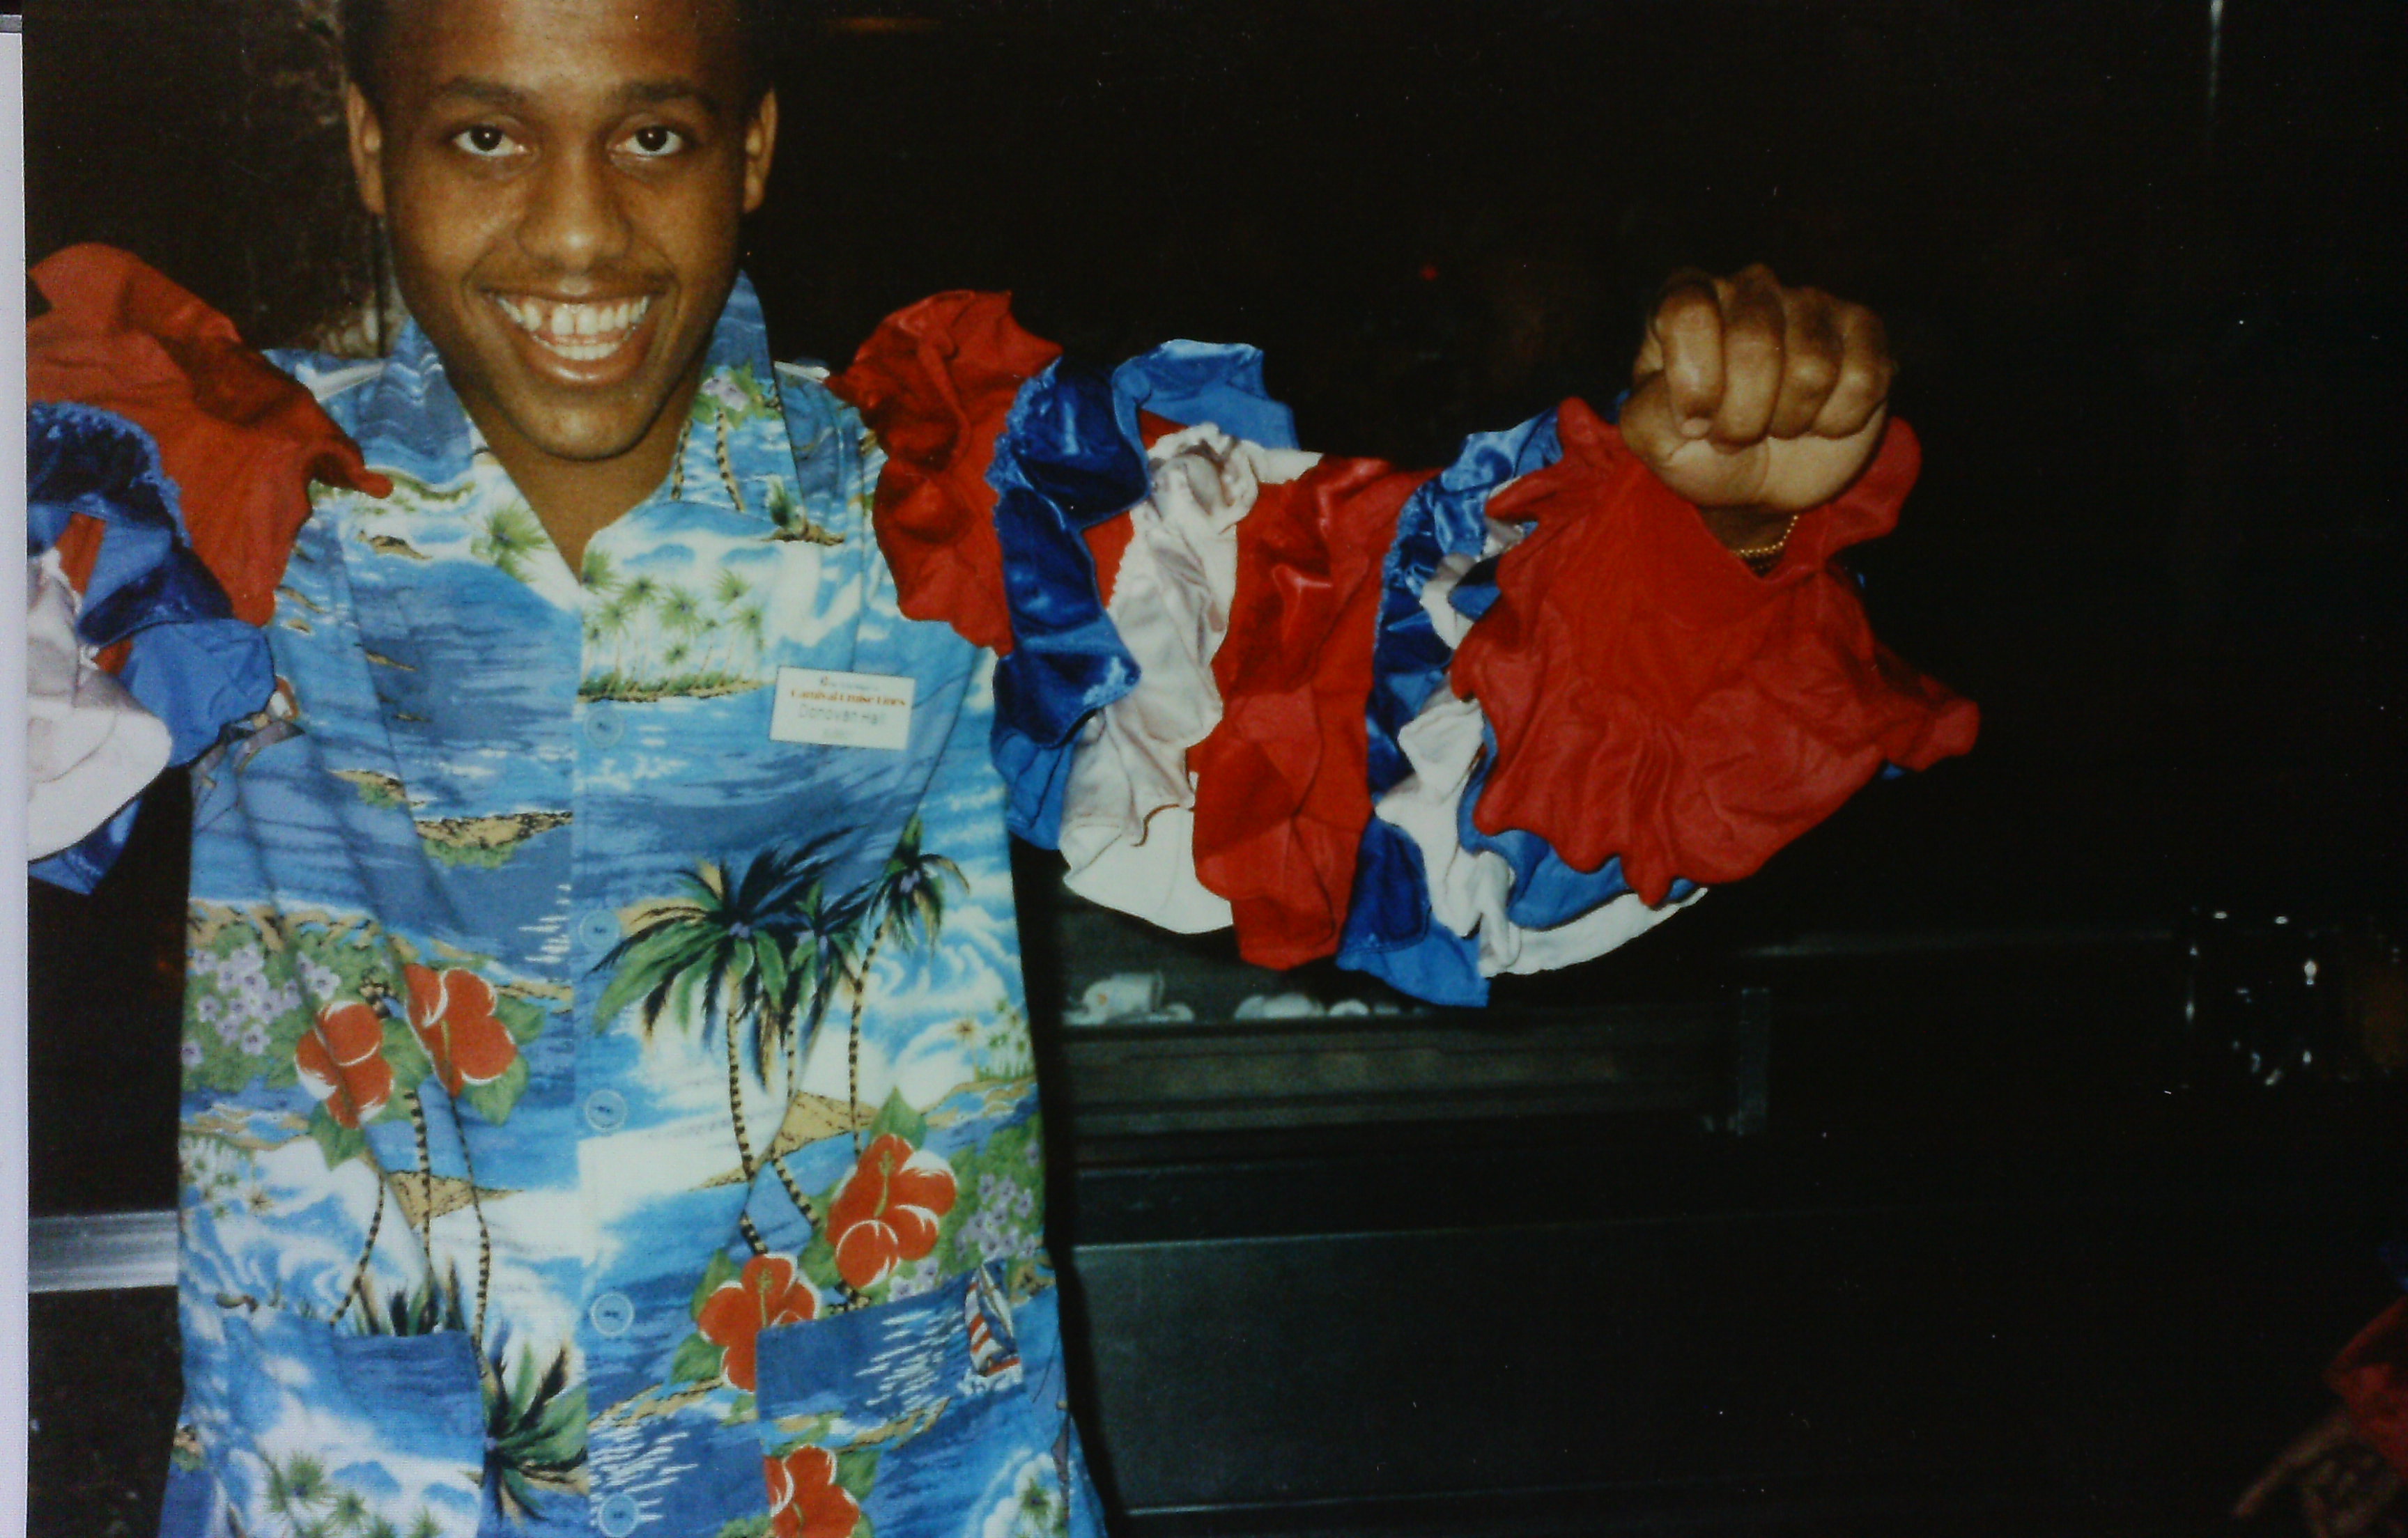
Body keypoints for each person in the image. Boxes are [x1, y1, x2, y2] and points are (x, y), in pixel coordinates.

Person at [31, 1, 1973, 1534]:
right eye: (483, 134)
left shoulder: (952, 518)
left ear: (752, 150)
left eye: (653, 135)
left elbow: (1451, 832)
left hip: (886, 1495)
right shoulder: (197, 508)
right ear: (367, 145)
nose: (576, 225)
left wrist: (1706, 545)